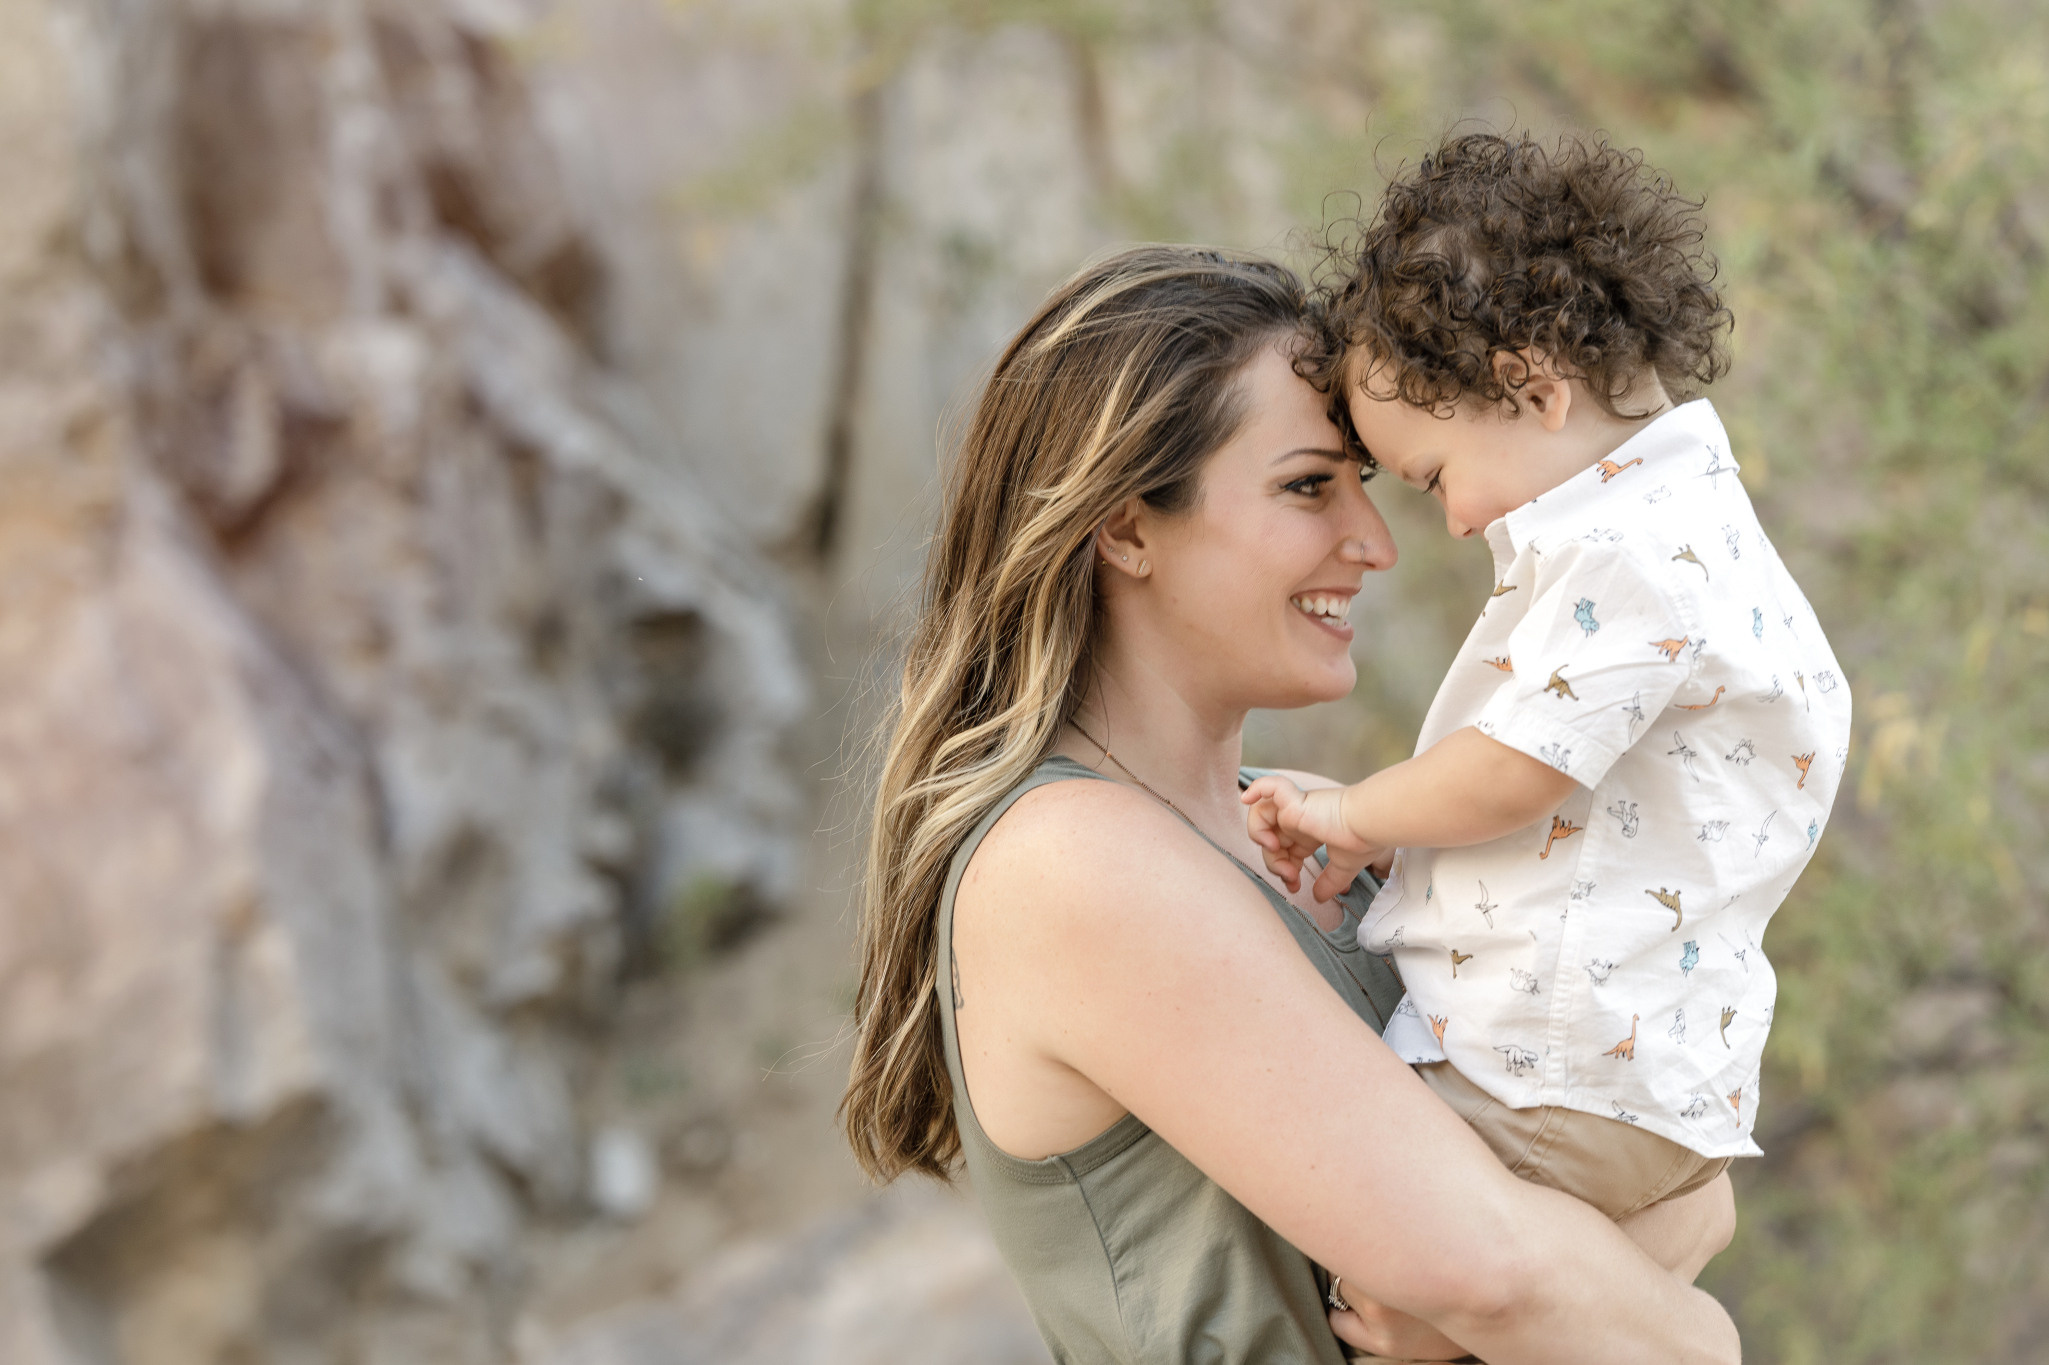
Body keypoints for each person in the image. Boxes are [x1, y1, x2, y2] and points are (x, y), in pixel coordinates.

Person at [842, 242, 1741, 1363]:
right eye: (1309, 486)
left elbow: (1687, 1179)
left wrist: (1514, 1304)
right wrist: (1694, 1333)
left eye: (1364, 485)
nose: (1372, 545)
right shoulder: (1071, 864)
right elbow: (1502, 1273)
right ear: (1125, 528)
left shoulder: (1310, 827)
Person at [1244, 133, 1853, 1229]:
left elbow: (1513, 774)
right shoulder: (1700, 536)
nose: (1454, 518)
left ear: (1535, 388)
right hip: (1633, 1090)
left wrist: (1348, 812)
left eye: (1436, 476)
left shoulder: (1627, 556)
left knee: (1361, 1273)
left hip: (1550, 1076)